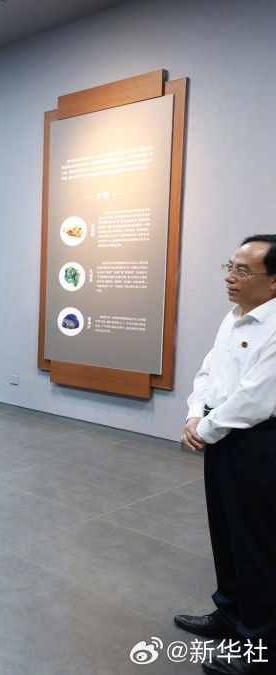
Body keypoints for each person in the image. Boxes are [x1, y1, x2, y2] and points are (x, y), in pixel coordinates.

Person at [176, 235, 276, 675]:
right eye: (229, 267)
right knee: (227, 533)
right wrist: (194, 414)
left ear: (274, 281)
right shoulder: (235, 316)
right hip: (221, 438)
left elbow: (255, 399)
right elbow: (208, 372)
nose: (230, 278)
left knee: (257, 546)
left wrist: (204, 429)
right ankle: (229, 615)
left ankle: (259, 648)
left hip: (256, 443)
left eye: (242, 271)